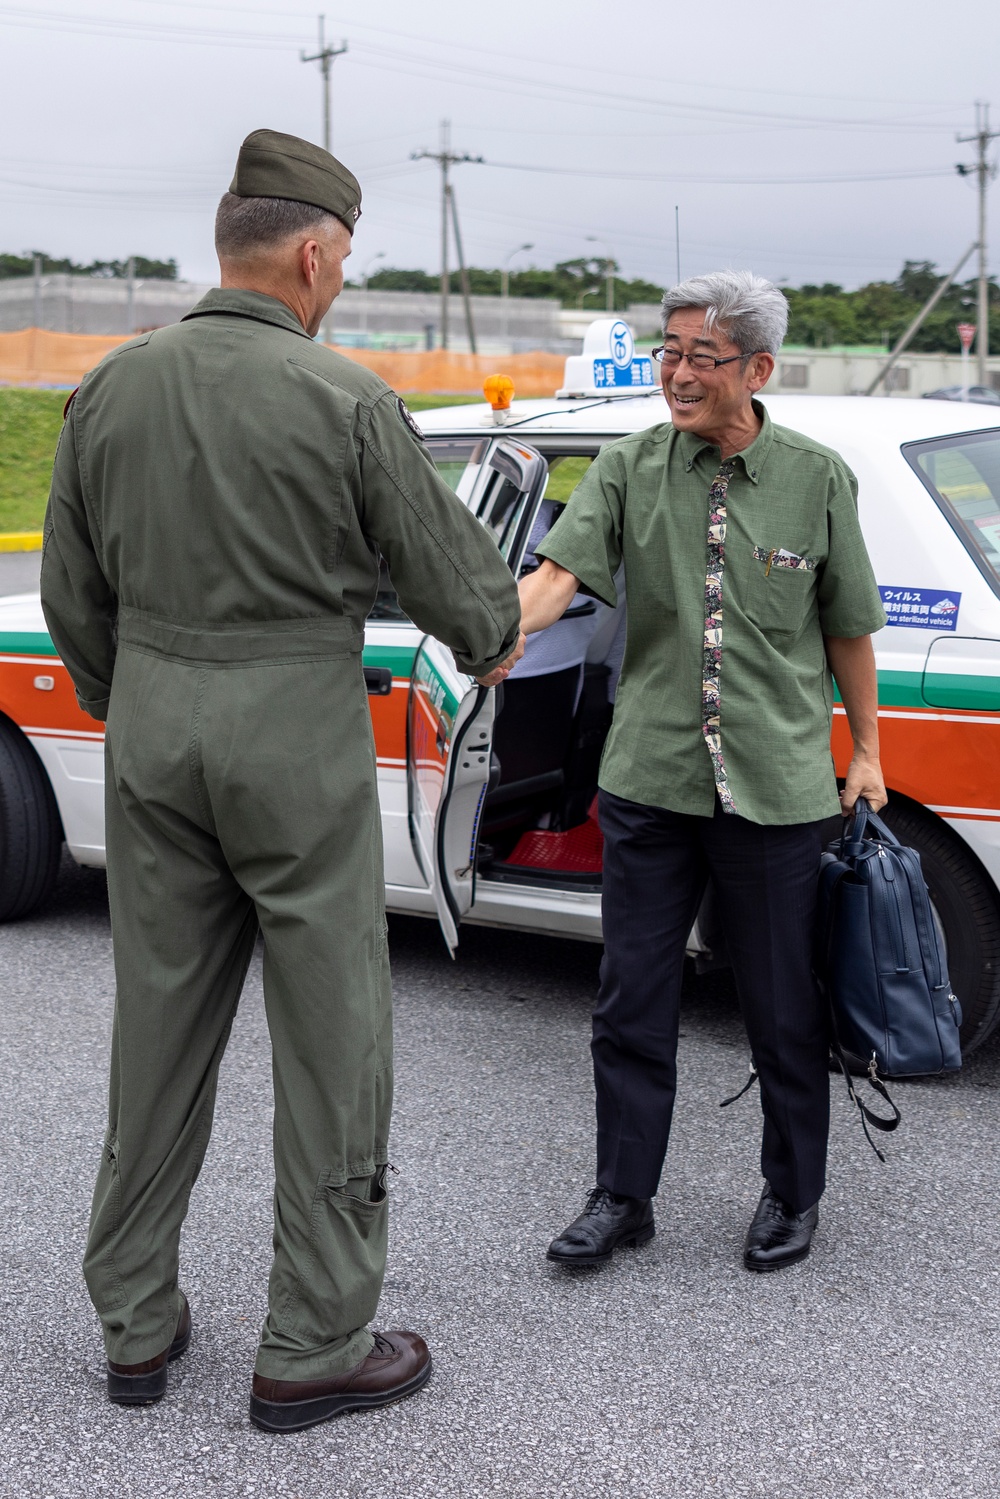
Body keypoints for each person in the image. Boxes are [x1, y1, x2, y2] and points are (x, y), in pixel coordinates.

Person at [40, 128, 522, 1432]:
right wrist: (501, 619)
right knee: (332, 1044)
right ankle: (312, 1341)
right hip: (296, 742)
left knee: (158, 1032)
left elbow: (68, 600)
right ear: (312, 252)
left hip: (151, 731)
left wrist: (135, 696)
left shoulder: (108, 392)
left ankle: (134, 1322)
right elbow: (471, 604)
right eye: (343, 259)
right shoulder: (349, 402)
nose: (339, 281)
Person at [517, 270, 887, 1274]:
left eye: (700, 356)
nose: (675, 373)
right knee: (629, 996)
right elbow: (556, 577)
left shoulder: (815, 477)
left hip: (774, 787)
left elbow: (848, 625)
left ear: (757, 368)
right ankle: (621, 1195)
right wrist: (494, 632)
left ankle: (791, 1191)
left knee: (780, 1002)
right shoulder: (631, 466)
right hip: (650, 778)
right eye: (667, 352)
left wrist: (865, 749)